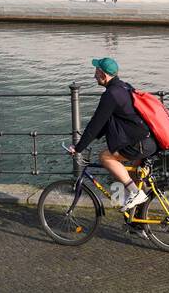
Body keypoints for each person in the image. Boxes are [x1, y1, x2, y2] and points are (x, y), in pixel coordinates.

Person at [66, 57, 155, 211]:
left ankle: (135, 193)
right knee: (135, 180)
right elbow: (106, 124)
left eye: (96, 72)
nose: (94, 76)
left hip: (139, 144)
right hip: (148, 140)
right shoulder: (125, 87)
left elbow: (95, 124)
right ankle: (138, 225)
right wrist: (88, 141)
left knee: (105, 157)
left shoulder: (111, 95)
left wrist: (79, 148)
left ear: (103, 75)